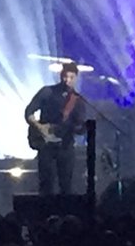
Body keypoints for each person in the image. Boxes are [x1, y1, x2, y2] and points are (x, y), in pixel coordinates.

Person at [24, 62, 88, 196]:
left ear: (76, 78)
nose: (67, 80)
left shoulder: (78, 100)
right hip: (46, 145)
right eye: (65, 76)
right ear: (60, 76)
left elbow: (80, 127)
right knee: (46, 185)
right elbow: (29, 112)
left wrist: (80, 127)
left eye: (71, 77)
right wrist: (39, 127)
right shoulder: (47, 92)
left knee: (66, 186)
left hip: (65, 146)